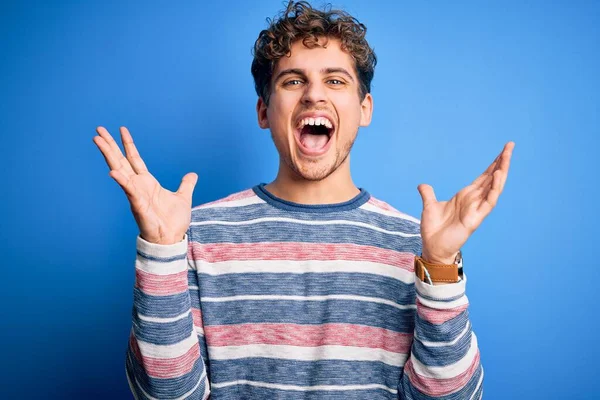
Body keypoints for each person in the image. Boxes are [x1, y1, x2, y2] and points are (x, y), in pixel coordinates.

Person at [93, 1, 514, 399]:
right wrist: (162, 253)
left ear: (364, 108)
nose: (314, 95)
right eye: (293, 81)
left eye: (335, 80)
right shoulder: (195, 236)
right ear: (264, 111)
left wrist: (440, 266)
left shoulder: (416, 247)